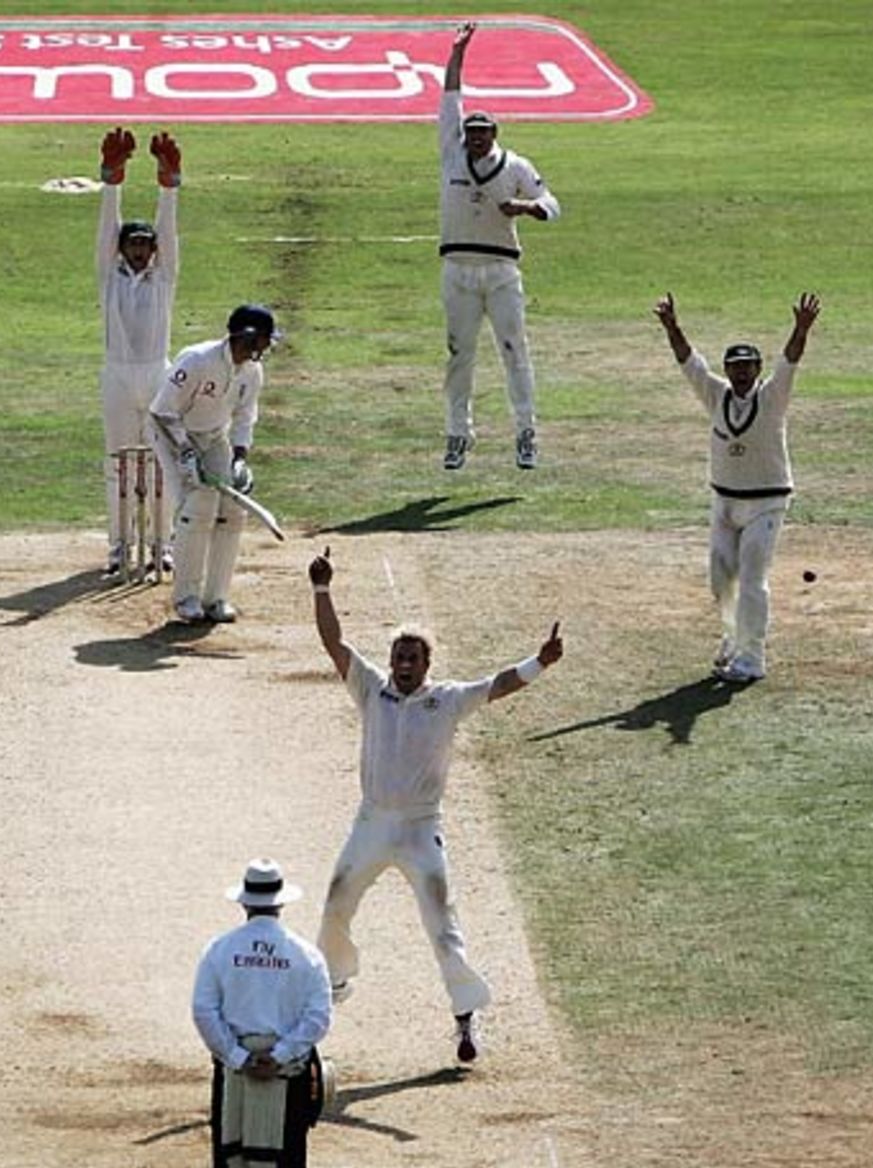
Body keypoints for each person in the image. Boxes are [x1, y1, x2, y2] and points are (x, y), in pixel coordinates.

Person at [308, 548, 563, 1062]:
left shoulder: (447, 699)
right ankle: (333, 983)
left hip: (421, 831)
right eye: (398, 658)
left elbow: (499, 684)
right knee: (336, 903)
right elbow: (334, 643)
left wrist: (541, 662)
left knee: (442, 928)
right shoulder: (371, 689)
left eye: (412, 659)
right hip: (372, 823)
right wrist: (321, 589)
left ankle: (466, 1020)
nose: (402, 666)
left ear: (427, 664)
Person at [654, 291, 822, 684]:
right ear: (728, 370)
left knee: (751, 579)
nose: (742, 372)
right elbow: (689, 363)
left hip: (767, 503)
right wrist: (672, 326)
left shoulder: (772, 396)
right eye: (736, 366)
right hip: (724, 502)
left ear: (757, 368)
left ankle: (753, 658)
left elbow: (790, 362)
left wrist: (801, 329)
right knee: (719, 577)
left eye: (749, 366)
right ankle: (731, 640)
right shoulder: (716, 395)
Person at [191, 859, 332, 1168]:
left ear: (246, 904)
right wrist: (282, 1055)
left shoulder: (220, 949)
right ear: (280, 905)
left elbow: (204, 1011)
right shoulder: (304, 954)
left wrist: (238, 1056)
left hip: (235, 1073)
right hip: (285, 1076)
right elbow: (318, 1016)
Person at [439, 20, 561, 474]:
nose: (475, 139)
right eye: (471, 133)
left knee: (515, 351)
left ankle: (526, 432)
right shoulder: (451, 153)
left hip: (501, 272)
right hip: (457, 271)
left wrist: (526, 209)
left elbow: (553, 204)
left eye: (483, 134)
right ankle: (457, 434)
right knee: (459, 355)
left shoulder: (516, 166)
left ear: (495, 135)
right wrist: (458, 52)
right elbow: (450, 100)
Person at [148, 303, 279, 623]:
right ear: (247, 336)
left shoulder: (252, 371)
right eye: (264, 338)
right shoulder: (198, 360)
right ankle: (186, 598)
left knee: (233, 510)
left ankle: (216, 597)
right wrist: (185, 453)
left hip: (212, 436)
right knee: (199, 506)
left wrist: (239, 460)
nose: (268, 345)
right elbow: (163, 411)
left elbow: (245, 417)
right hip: (170, 433)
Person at [95, 125, 181, 578]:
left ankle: (163, 546)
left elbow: (170, 235)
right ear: (122, 248)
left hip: (157, 375)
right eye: (134, 244)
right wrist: (113, 180)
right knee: (118, 464)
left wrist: (169, 188)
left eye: (147, 245)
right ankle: (118, 546)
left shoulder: (164, 278)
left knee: (161, 466)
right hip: (116, 375)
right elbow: (106, 231)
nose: (142, 251)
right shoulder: (109, 278)